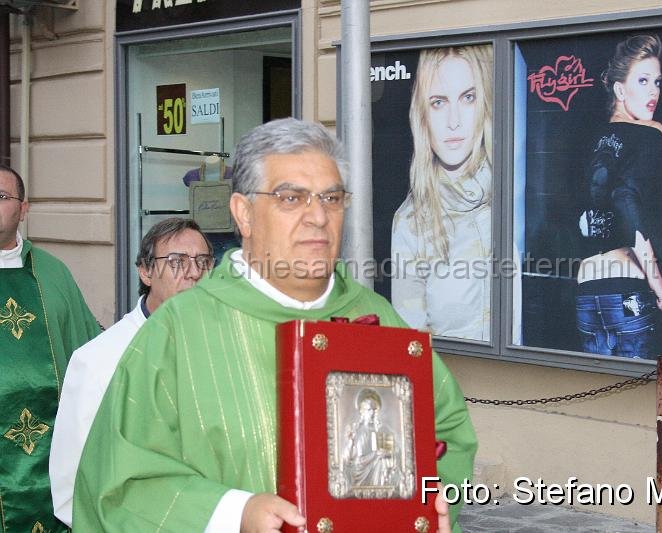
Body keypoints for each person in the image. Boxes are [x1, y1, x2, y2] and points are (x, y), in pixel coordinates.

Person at [72, 118, 477, 532]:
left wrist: (428, 507)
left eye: (332, 198)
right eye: (290, 198)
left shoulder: (379, 319)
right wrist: (234, 513)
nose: (318, 216)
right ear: (243, 214)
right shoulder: (177, 332)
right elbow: (121, 485)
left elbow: (446, 433)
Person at [49, 217, 214, 527]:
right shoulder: (98, 360)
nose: (194, 273)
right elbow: (71, 484)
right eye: (177, 262)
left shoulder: (223, 346)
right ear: (146, 271)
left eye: (203, 261)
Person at [0, 164, 100, 532]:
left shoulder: (52, 272)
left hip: (53, 453)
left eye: (1, 197)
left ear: (23, 209)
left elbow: (90, 352)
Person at [575, 34, 662, 358]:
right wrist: (656, 279)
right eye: (642, 81)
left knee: (597, 398)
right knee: (640, 398)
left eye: (656, 82)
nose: (653, 92)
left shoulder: (587, 140)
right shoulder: (650, 131)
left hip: (587, 290)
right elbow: (624, 195)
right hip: (626, 289)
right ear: (619, 90)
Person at [392, 45, 493, 341]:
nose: (453, 121)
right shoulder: (411, 222)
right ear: (422, 115)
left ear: (485, 104)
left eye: (468, 98)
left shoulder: (514, 197)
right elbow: (410, 342)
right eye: (438, 102)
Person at [343, 388, 398, 490]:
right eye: (369, 410)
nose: (372, 413)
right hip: (360, 475)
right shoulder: (357, 431)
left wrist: (387, 454)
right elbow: (350, 459)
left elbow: (393, 452)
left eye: (374, 409)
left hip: (379, 474)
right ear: (362, 411)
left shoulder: (383, 430)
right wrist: (351, 441)